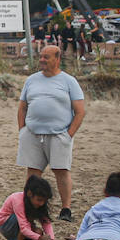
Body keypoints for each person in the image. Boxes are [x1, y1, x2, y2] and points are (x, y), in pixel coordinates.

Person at [16, 45, 86, 220]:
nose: (42, 60)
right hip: (32, 133)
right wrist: (22, 130)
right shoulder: (31, 80)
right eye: (41, 56)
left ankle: (66, 209)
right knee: (33, 171)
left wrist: (69, 134)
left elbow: (80, 111)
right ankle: (29, 206)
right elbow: (22, 107)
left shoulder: (69, 81)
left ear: (57, 59)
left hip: (59, 134)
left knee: (61, 170)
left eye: (46, 57)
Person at [0, 175, 56, 240]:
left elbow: (46, 222)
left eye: (44, 201)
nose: (42, 204)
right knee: (28, 221)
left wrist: (51, 239)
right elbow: (24, 227)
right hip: (6, 225)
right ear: (29, 194)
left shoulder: (37, 203)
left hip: (21, 225)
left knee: (38, 232)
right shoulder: (18, 200)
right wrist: (39, 238)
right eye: (39, 200)